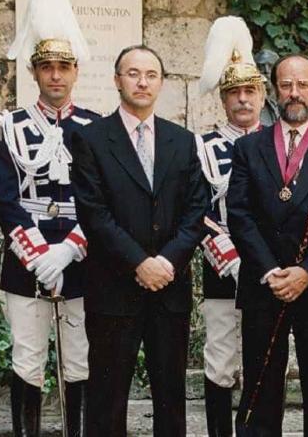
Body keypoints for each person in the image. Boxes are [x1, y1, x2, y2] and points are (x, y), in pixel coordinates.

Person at [70, 45, 208, 437]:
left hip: (169, 289)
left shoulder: (182, 141)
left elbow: (197, 209)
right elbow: (93, 214)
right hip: (114, 290)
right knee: (107, 400)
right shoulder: (92, 140)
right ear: (117, 80)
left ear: (161, 82)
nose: (142, 81)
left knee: (171, 400)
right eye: (133, 73)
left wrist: (166, 262)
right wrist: (138, 262)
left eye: (150, 74)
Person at [227, 53, 308, 436]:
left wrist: (306, 273)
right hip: (263, 286)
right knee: (260, 392)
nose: (294, 93)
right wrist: (271, 271)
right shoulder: (249, 149)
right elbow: (240, 215)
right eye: (286, 85)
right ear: (275, 91)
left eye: (303, 85)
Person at [0, 0, 97, 435]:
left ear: (75, 72)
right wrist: (39, 257)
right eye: (47, 67)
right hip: (25, 257)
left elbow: (100, 201)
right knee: (27, 357)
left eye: (64, 67)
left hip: (81, 257)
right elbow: (4, 197)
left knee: (79, 358)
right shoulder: (8, 126)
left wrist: (68, 251)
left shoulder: (96, 128)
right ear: (34, 71)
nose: (56, 76)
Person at [196, 16, 266, 437]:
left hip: (267, 271)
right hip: (224, 272)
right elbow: (196, 211)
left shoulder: (278, 142)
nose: (243, 100)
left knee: (262, 360)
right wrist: (232, 260)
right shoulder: (201, 147)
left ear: (261, 96)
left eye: (250, 91)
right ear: (223, 99)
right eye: (234, 93)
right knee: (220, 362)